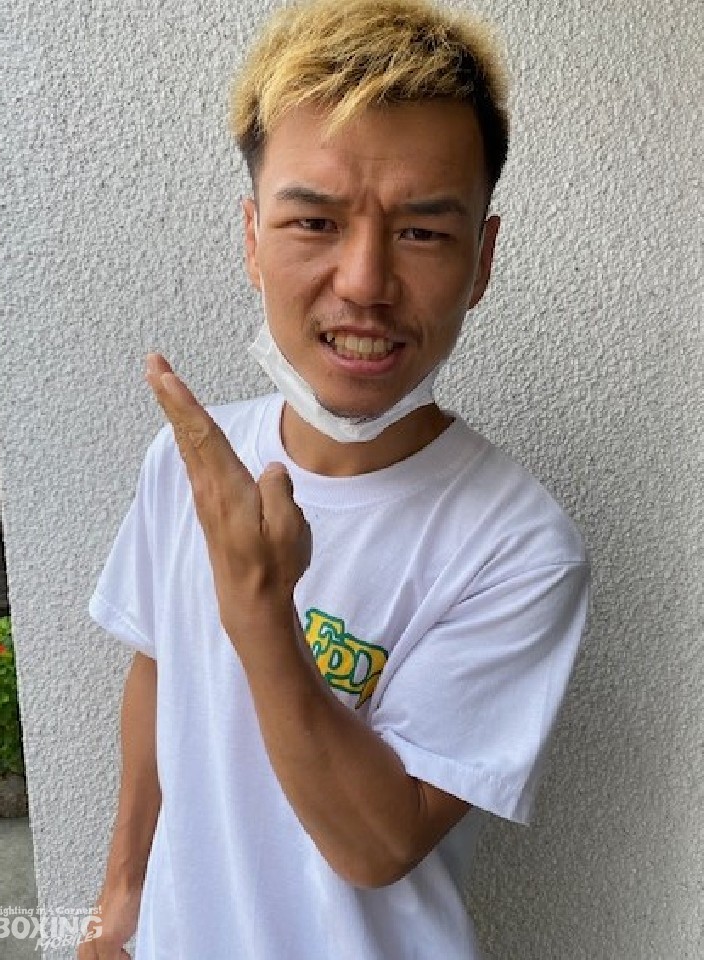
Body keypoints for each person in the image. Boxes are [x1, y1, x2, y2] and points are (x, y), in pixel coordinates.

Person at [80, 0, 590, 957]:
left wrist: (260, 612)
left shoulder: (518, 546)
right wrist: (122, 897)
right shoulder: (187, 463)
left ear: (482, 261)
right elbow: (157, 672)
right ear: (252, 238)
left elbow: (377, 843)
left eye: (422, 233)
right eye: (314, 220)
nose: (363, 282)